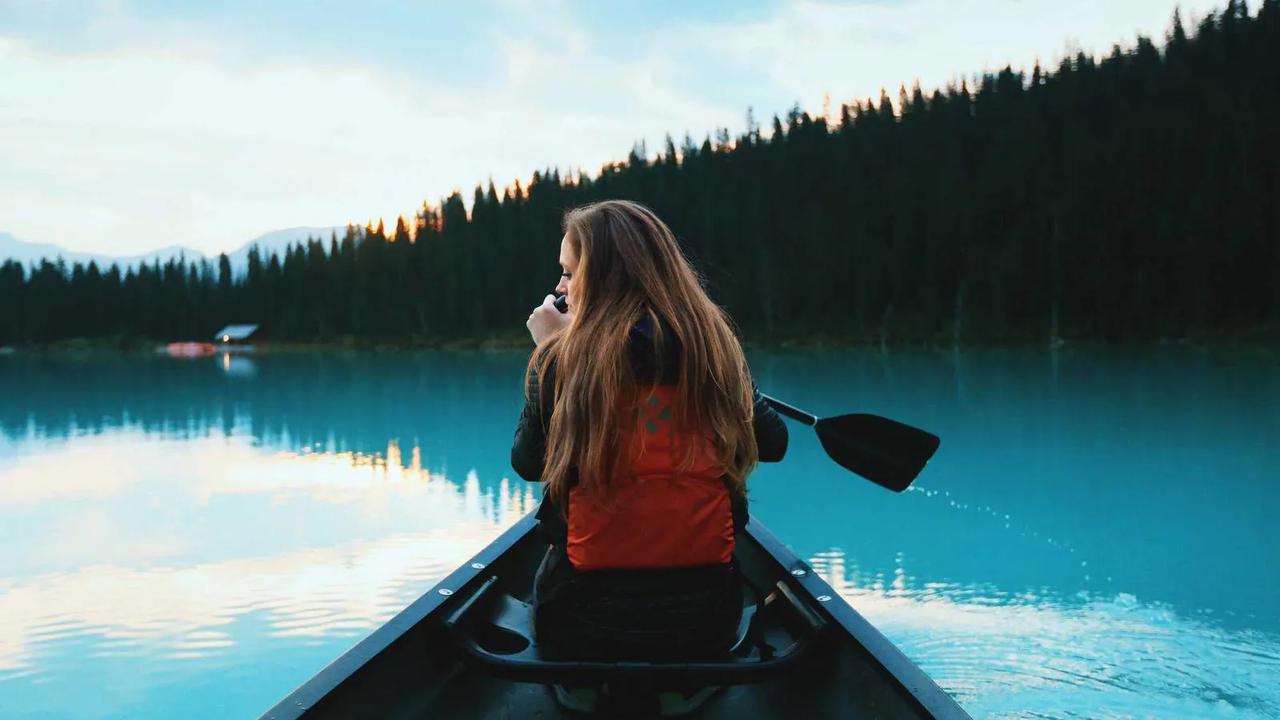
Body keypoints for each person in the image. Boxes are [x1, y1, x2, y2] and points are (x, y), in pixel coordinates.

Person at [511, 199, 788, 665]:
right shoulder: (712, 347)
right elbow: (773, 443)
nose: (560, 288)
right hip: (705, 620)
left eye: (569, 273)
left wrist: (551, 354)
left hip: (584, 620)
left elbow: (529, 463)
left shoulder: (564, 359)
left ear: (603, 278)